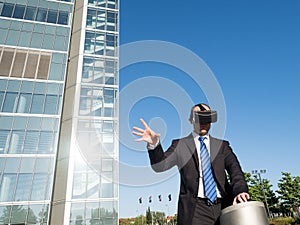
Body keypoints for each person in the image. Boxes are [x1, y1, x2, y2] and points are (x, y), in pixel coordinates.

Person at [132, 103, 250, 225]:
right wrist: (154, 145)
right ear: (190, 120)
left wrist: (240, 191)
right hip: (195, 210)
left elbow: (236, 172)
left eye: (207, 117)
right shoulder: (180, 145)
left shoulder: (223, 146)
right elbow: (160, 166)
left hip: (224, 207)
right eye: (199, 117)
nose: (203, 121)